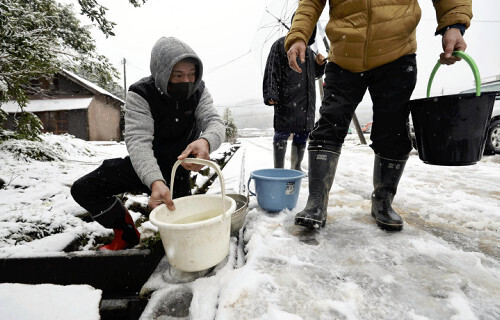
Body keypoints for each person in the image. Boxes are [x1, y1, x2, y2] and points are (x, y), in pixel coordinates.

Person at [285, 0, 472, 230]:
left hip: (396, 54)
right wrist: (298, 35)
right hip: (344, 56)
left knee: (392, 133)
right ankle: (316, 202)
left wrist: (454, 24)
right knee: (328, 127)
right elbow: (311, 2)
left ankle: (383, 201)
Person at [71, 37, 225, 250]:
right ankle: (125, 232)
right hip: (142, 164)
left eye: (191, 74)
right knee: (84, 189)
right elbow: (138, 141)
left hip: (176, 170)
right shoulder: (141, 93)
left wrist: (205, 141)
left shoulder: (199, 91)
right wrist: (154, 180)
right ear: (162, 73)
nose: (187, 81)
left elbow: (214, 122)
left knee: (181, 238)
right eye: (178, 75)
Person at [263, 21, 326, 170]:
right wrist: (271, 93)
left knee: (302, 134)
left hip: (306, 101)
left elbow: (315, 75)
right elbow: (271, 69)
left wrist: (320, 65)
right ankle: (278, 169)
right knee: (281, 133)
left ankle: (296, 168)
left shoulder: (310, 52)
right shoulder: (280, 45)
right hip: (286, 99)